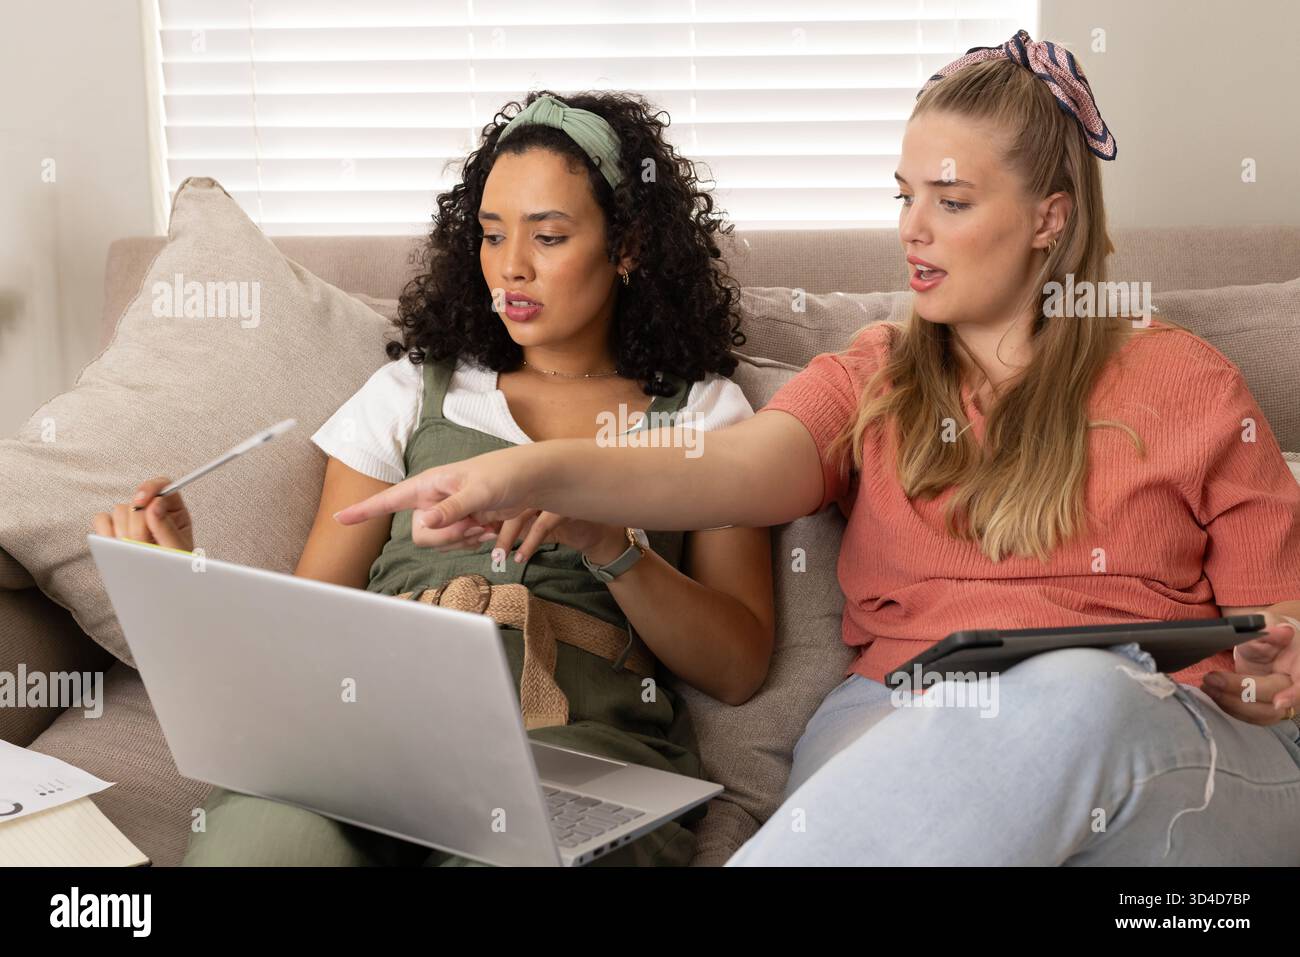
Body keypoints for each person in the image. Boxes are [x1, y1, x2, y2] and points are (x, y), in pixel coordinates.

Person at [333, 34, 1300, 865]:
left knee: (1078, 688)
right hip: (903, 717)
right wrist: (537, 468)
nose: (911, 231)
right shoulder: (873, 375)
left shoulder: (1190, 382)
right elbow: (728, 470)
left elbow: (1281, 628)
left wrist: (1272, 669)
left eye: (952, 203)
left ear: (1050, 218)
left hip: (1163, 743)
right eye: (903, 195)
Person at [93, 91, 775, 866]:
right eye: (490, 235)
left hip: (583, 753)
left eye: (548, 235)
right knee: (259, 847)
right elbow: (314, 620)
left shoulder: (704, 412)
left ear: (629, 245)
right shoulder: (412, 391)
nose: (510, 265)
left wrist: (610, 543)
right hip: (369, 743)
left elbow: (739, 663)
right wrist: (183, 575)